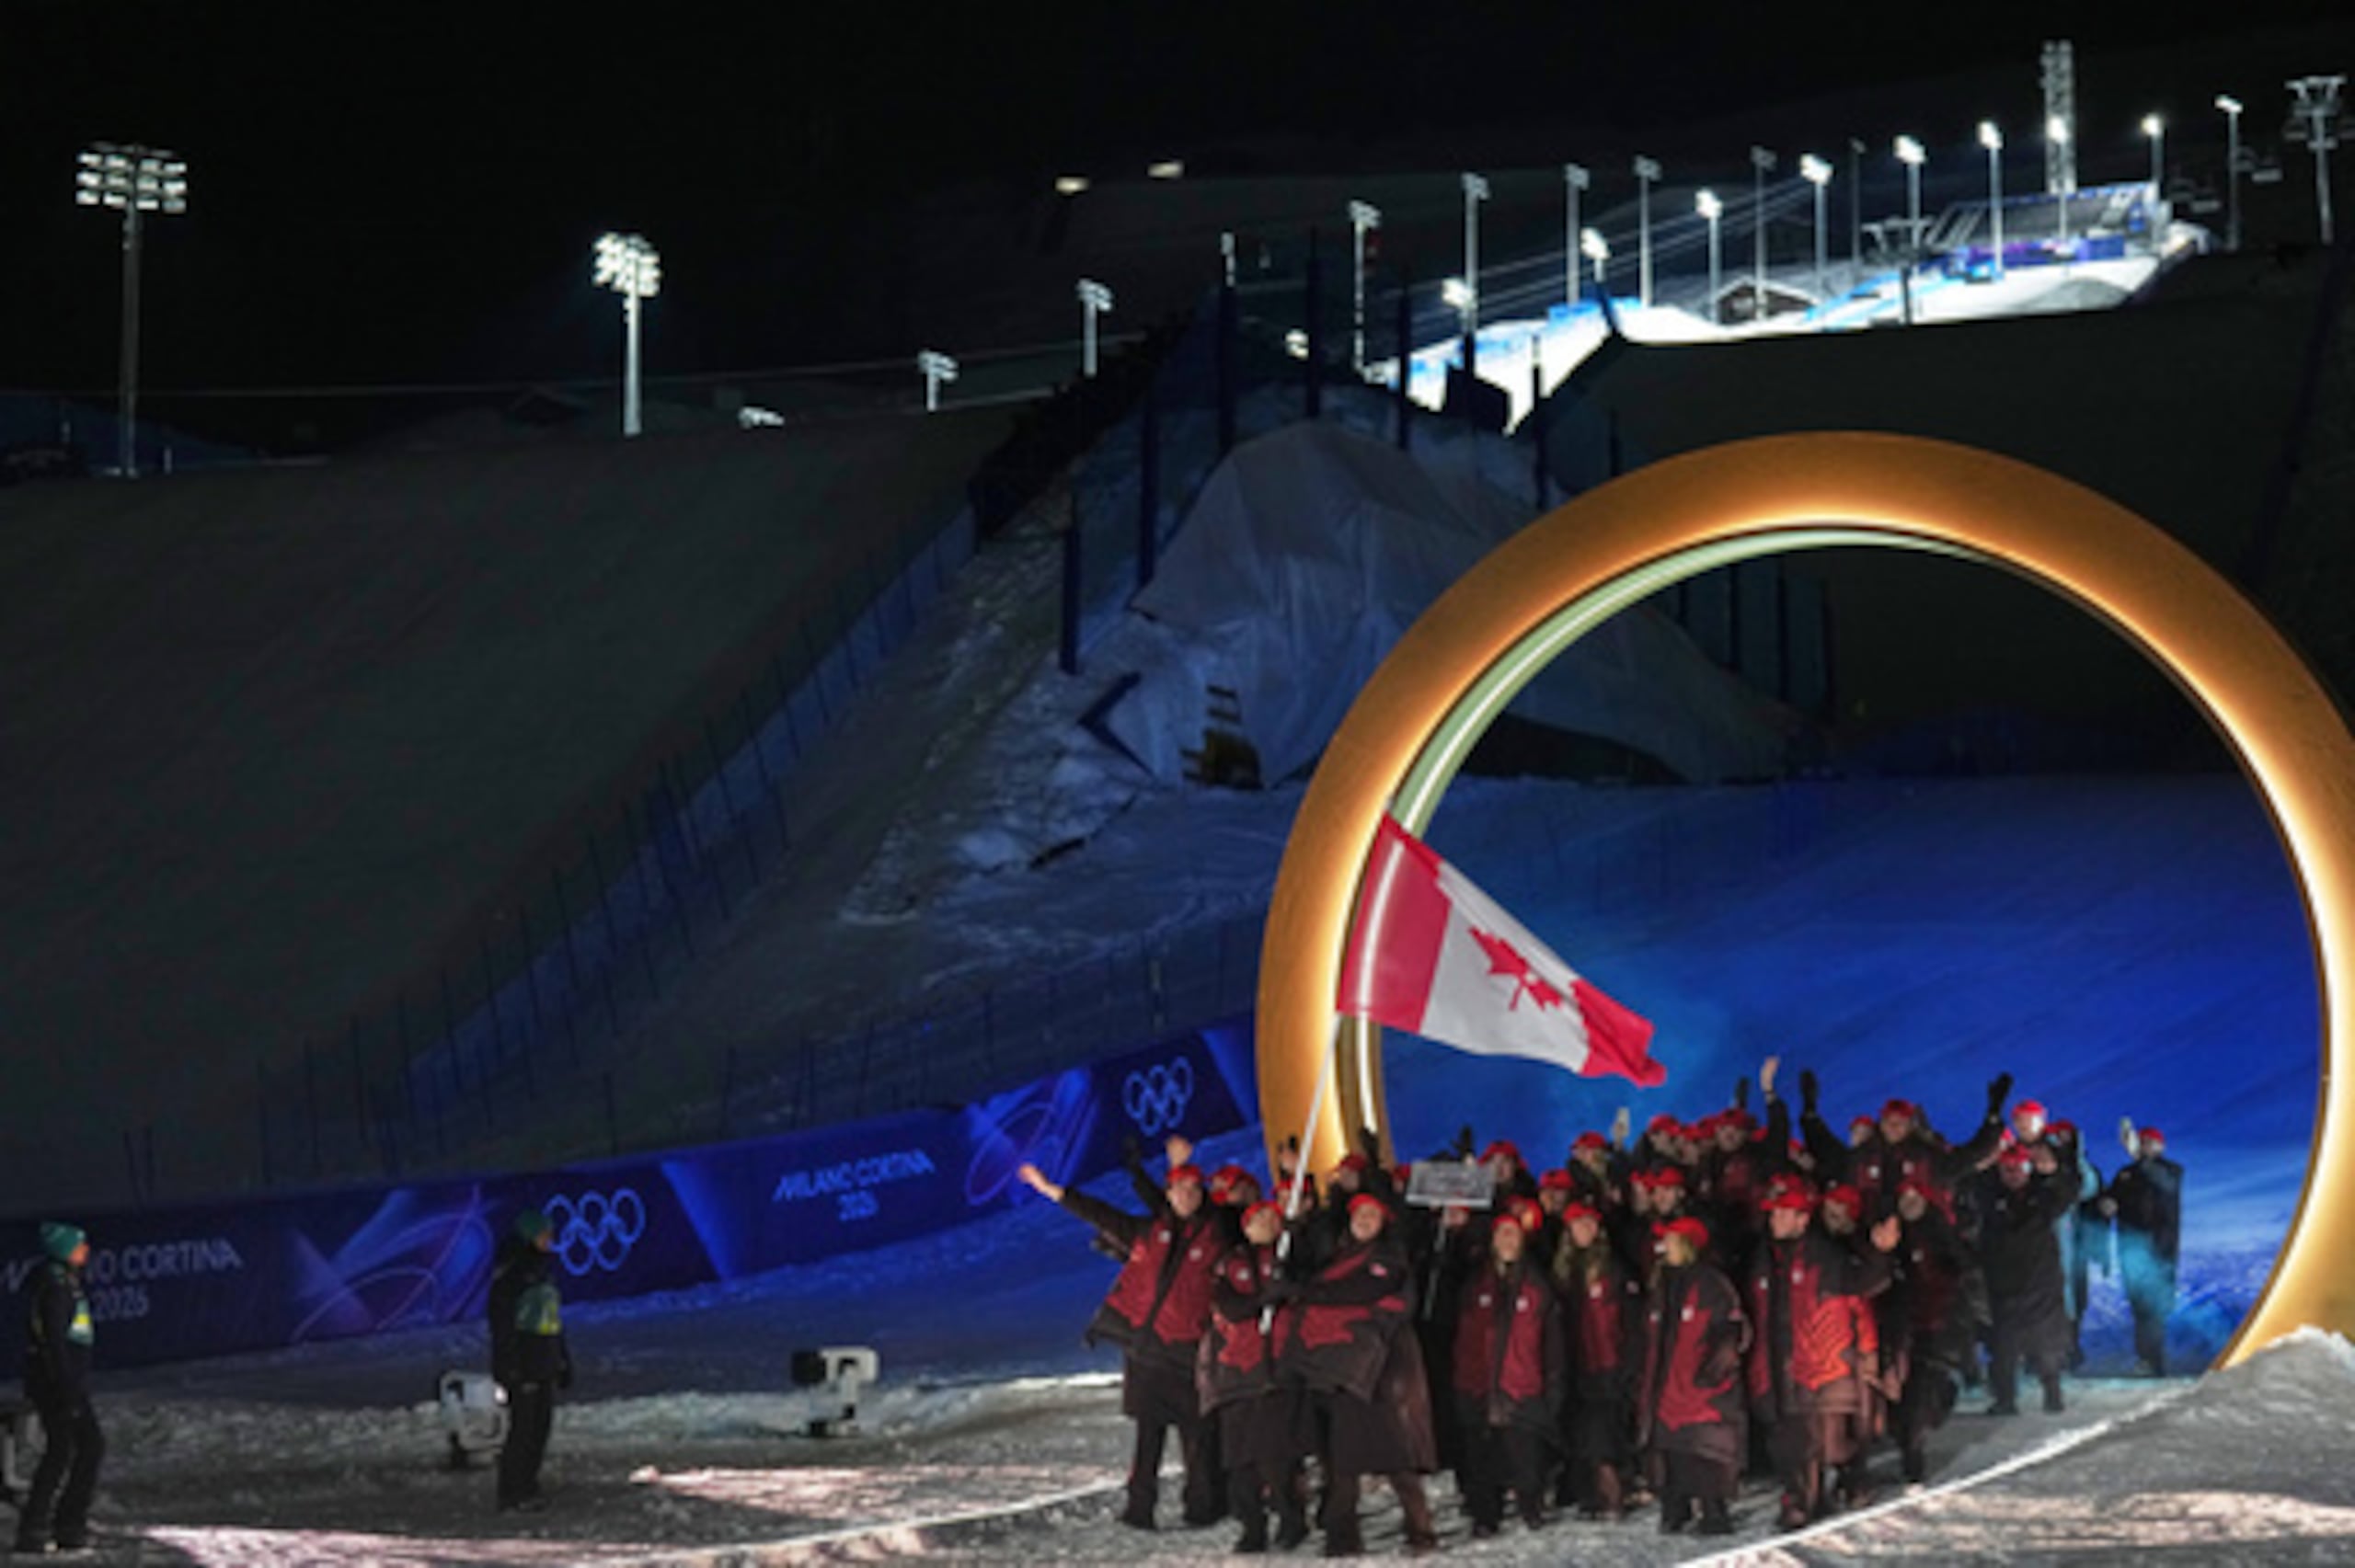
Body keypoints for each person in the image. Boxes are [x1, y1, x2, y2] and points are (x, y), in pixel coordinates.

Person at [1020, 1160, 1223, 1529]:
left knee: (1197, 1438)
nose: (1188, 1196)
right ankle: (1139, 1509)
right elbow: (1101, 1215)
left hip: (1190, 1354)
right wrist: (1053, 1191)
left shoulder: (1217, 1236)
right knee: (1148, 1437)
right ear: (1169, 1194)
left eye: (1195, 1190)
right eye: (1180, 1189)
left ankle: (1202, 1507)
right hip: (1147, 1353)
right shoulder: (1146, 1232)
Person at [1276, 1193, 1439, 1556]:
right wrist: (1297, 1233)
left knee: (1394, 1453)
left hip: (1378, 1370)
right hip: (1337, 1370)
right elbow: (1311, 1271)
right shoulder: (1336, 1256)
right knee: (1338, 1456)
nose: (1365, 1220)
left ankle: (1419, 1528)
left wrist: (1305, 1292)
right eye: (1360, 1214)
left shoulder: (1388, 1258)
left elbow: (1360, 1289)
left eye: (1373, 1215)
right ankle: (1342, 1534)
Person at [1743, 1174, 1899, 1529]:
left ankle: (1800, 1504)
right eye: (1773, 1214)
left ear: (1803, 1218)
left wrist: (1880, 1253)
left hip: (1816, 1369)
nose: (1775, 1221)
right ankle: (1813, 1498)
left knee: (1807, 1445)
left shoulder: (1824, 1256)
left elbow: (1863, 1283)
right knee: (1793, 1444)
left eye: (1783, 1214)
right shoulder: (1762, 1257)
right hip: (1774, 1368)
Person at [1200, 1200, 1309, 1552]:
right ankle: (1252, 1526)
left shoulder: (1290, 1257)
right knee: (1240, 1459)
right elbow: (1229, 1307)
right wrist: (1264, 1299)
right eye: (1258, 1219)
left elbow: (1306, 1291)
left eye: (1271, 1218)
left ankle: (1292, 1521)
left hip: (1278, 1370)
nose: (1266, 1223)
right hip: (1239, 1371)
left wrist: (1287, 1283)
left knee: (1277, 1456)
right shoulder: (1230, 1265)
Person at [1449, 1207, 1563, 1537]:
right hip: (1478, 1383)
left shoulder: (1538, 1285)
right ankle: (1486, 1515)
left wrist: (1553, 1382)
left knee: (1525, 1454)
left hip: (1522, 1384)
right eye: (1501, 1234)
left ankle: (1531, 1505)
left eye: (1513, 1234)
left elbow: (1552, 1340)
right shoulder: (1475, 1283)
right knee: (1481, 1458)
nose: (1507, 1240)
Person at [1637, 1215, 1748, 1538]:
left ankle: (1714, 1513)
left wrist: (1716, 1368)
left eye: (1669, 1240)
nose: (1662, 1247)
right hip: (1667, 1388)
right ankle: (1675, 1508)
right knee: (1672, 1453)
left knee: (1704, 1454)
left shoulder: (1711, 1283)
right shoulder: (1661, 1284)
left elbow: (1732, 1328)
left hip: (1700, 1390)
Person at [15, 1222, 102, 1555]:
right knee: (77, 1448)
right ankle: (56, 1524)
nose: (86, 1251)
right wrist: (67, 1386)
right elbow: (54, 1342)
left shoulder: (64, 1282)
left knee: (67, 1449)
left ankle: (49, 1525)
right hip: (59, 1383)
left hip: (64, 1381)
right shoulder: (55, 1287)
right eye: (80, 1246)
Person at [1550, 1200, 1638, 1518]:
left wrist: (1629, 1365)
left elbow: (1631, 1321)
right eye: (1577, 1224)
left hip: (1610, 1367)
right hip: (1578, 1367)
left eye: (1588, 1223)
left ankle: (1612, 1497)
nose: (1583, 1230)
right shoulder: (1563, 1272)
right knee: (1584, 1436)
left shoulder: (1614, 1269)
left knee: (1604, 1438)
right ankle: (1594, 1495)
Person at [1977, 1144, 2074, 1415]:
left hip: (2040, 1282)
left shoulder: (2041, 1196)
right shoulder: (1991, 1197)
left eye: (2018, 1169)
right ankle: (2005, 1399)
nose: (2013, 1175)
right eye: (2007, 1170)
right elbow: (1973, 1190)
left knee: (2046, 1343)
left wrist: (2053, 1172)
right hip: (2004, 1285)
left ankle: (2052, 1394)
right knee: (2004, 1346)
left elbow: (2066, 1195)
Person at [488, 1207, 572, 1512]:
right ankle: (512, 1490)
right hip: (524, 1363)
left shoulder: (543, 1272)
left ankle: (528, 1484)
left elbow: (553, 1321)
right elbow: (503, 1327)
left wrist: (562, 1359)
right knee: (522, 1429)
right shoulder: (511, 1278)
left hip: (544, 1360)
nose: (549, 1239)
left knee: (539, 1428)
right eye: (543, 1234)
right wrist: (508, 1367)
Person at [2100, 1122, 2184, 1375]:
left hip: (2160, 1251)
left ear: (2161, 1146)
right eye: (2142, 1142)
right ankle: (2146, 1358)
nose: (2146, 1147)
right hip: (2131, 1249)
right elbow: (2110, 1198)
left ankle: (2154, 1360)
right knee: (2139, 1306)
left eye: (2150, 1143)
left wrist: (2139, 1158)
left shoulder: (2171, 1171)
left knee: (2154, 1307)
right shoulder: (2126, 1175)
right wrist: (2106, 1205)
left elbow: (2164, 1184)